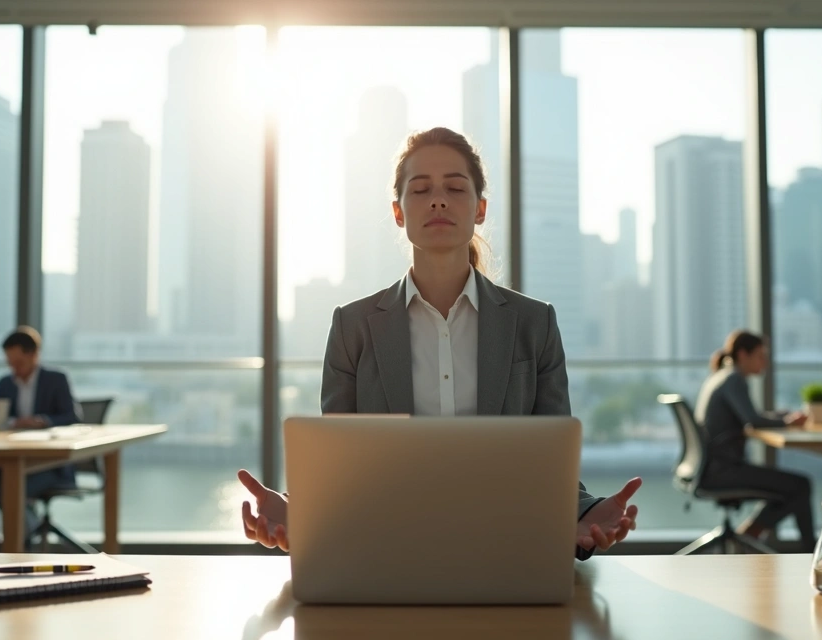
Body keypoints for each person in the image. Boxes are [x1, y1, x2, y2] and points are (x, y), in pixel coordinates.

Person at [238, 127, 641, 561]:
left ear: (480, 208)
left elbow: (551, 464)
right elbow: (340, 468)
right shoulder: (352, 326)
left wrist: (584, 514)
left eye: (454, 187)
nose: (438, 200)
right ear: (398, 212)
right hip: (386, 556)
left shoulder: (534, 323)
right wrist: (299, 511)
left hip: (507, 555)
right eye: (420, 189)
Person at [0, 326, 82, 552]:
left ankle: (21, 547)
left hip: (49, 465)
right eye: (10, 363)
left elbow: (72, 416)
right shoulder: (6, 383)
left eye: (19, 363)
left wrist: (42, 420)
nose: (14, 369)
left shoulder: (56, 379)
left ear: (34, 354)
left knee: (5, 489)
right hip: (10, 462)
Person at [694, 330, 816, 550]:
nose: (765, 362)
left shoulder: (721, 377)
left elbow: (751, 416)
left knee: (790, 488)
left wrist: (781, 417)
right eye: (760, 356)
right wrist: (788, 422)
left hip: (712, 468)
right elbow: (752, 420)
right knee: (800, 486)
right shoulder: (733, 380)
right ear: (743, 355)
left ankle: (750, 534)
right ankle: (811, 552)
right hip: (724, 471)